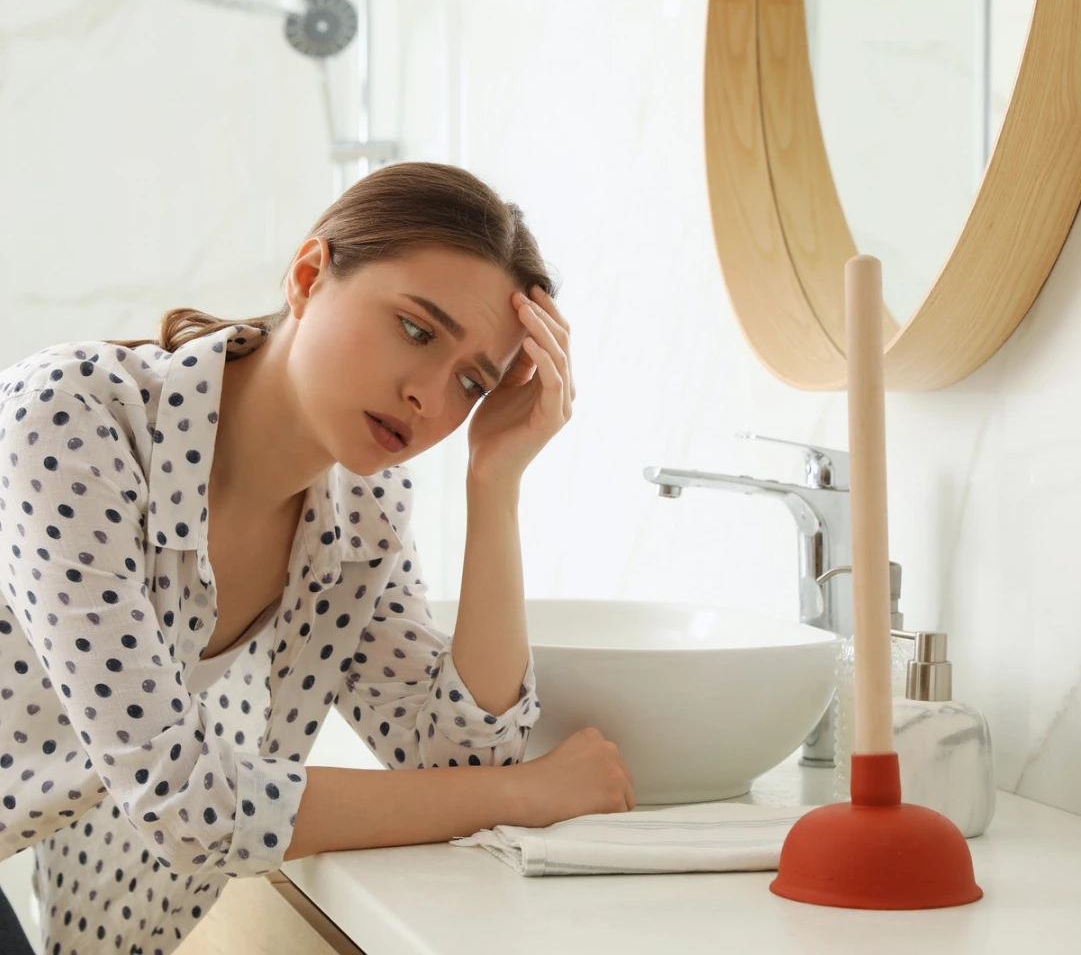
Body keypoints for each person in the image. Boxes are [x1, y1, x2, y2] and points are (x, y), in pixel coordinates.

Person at [0, 162, 635, 955]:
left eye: (471, 382)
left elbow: (452, 756)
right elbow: (181, 799)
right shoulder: (69, 420)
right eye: (416, 328)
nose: (430, 399)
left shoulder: (364, 511)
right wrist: (527, 791)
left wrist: (494, 481)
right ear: (308, 276)